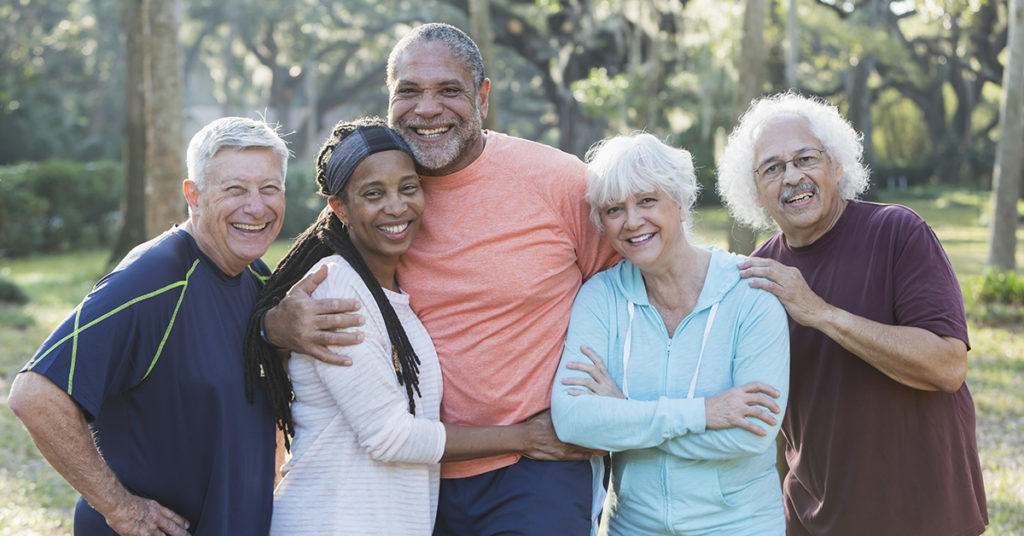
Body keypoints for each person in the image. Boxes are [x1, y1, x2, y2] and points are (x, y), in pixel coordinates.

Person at [262, 23, 619, 535]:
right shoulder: (376, 195)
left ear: (483, 96)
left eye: (448, 90)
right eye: (408, 91)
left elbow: (636, 280)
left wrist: (622, 397)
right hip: (415, 482)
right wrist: (274, 327)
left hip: (540, 463)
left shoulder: (559, 184)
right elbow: (287, 292)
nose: (426, 109)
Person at [716, 92, 988, 536]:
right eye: (773, 168)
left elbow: (947, 365)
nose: (793, 177)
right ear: (756, 192)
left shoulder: (898, 233)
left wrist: (820, 313)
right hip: (816, 519)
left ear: (837, 167)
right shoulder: (758, 275)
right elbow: (770, 414)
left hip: (928, 515)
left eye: (806, 158)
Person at [8, 116, 288, 535]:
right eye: (235, 189)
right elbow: (35, 395)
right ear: (193, 196)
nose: (256, 206)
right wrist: (121, 508)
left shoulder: (262, 282)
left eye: (269, 189)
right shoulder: (152, 281)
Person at [550, 133, 789, 535]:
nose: (632, 221)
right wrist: (703, 413)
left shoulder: (750, 294)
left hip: (740, 525)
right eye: (614, 209)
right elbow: (573, 420)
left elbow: (753, 435)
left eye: (647, 201)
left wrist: (625, 414)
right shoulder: (600, 298)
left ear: (679, 202)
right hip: (634, 526)